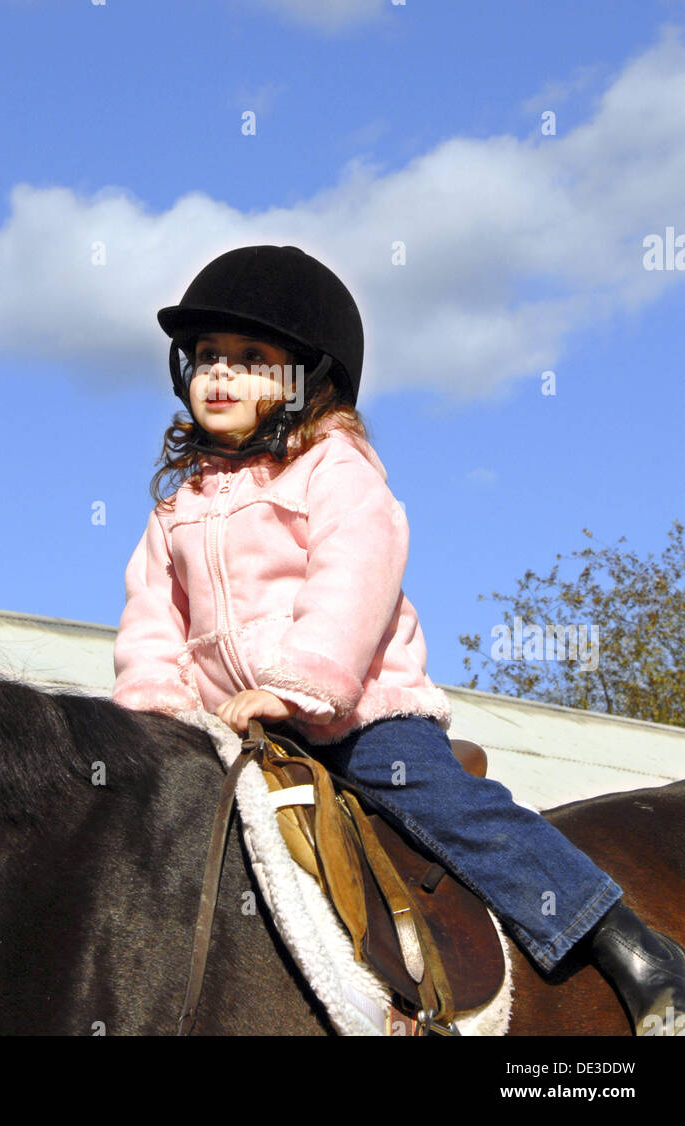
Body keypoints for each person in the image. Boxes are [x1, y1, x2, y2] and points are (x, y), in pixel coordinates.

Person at [112, 243, 685, 1036]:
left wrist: (300, 685)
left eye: (250, 359)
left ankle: (631, 948)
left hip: (354, 716)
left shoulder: (335, 473)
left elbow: (353, 584)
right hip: (232, 726)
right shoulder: (180, 504)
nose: (220, 373)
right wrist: (153, 710)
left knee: (453, 809)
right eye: (209, 356)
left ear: (308, 380)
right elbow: (152, 619)